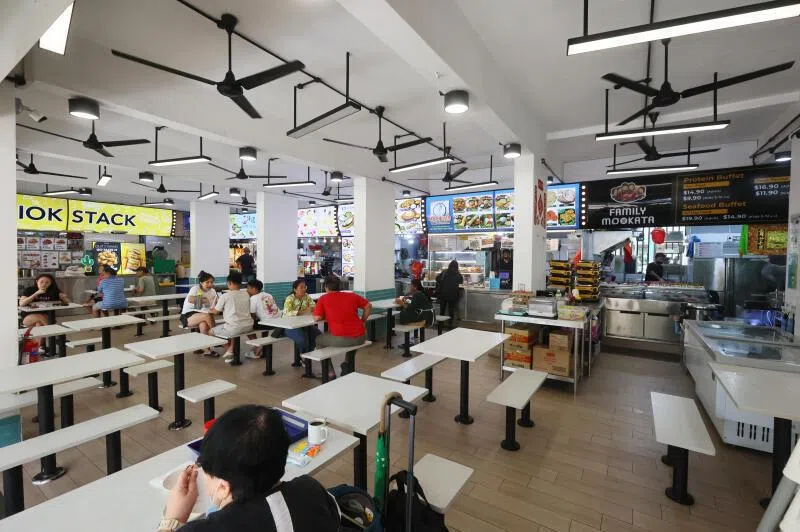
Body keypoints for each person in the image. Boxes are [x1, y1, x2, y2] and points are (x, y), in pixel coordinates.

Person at [157, 405, 340, 532]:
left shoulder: (207, 528)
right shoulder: (311, 488)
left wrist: (172, 519)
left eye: (203, 468)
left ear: (223, 487)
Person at [314, 275, 372, 377]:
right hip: (362, 336)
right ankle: (346, 363)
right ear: (339, 286)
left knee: (318, 340)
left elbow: (317, 318)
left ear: (326, 287)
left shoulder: (323, 298)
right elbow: (368, 306)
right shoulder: (352, 296)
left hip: (343, 339)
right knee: (352, 341)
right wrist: (363, 320)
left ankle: (330, 372)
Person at [210, 272, 254, 362]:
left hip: (234, 328)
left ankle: (230, 349)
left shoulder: (225, 296)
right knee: (233, 325)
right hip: (249, 326)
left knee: (210, 332)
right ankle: (231, 349)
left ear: (229, 283)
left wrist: (211, 309)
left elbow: (216, 312)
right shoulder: (246, 294)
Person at [180, 272, 218, 354]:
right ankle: (217, 335)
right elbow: (190, 299)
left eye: (211, 282)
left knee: (203, 325)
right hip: (188, 314)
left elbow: (215, 304)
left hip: (203, 313)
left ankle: (206, 349)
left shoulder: (213, 291)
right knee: (207, 316)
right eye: (207, 282)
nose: (210, 284)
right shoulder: (195, 289)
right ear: (201, 282)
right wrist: (204, 300)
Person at [245, 279, 280, 359]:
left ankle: (257, 346)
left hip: (267, 324)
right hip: (278, 322)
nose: (247, 290)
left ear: (254, 289)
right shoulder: (268, 295)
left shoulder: (253, 298)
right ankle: (263, 342)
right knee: (264, 319)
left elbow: (252, 315)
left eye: (248, 288)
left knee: (245, 326)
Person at [281, 279, 319, 353]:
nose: (304, 289)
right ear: (295, 290)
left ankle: (308, 354)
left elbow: (314, 307)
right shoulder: (290, 298)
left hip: (303, 324)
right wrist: (304, 311)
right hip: (289, 325)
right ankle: (302, 355)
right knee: (302, 340)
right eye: (301, 287)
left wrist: (310, 309)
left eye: (305, 287)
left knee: (318, 336)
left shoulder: (306, 296)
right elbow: (288, 312)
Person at [436, 260, 463, 325]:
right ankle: (450, 324)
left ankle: (440, 324)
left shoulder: (444, 272)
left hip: (443, 294)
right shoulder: (458, 274)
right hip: (453, 295)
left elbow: (437, 279)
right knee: (451, 310)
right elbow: (461, 282)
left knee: (442, 310)